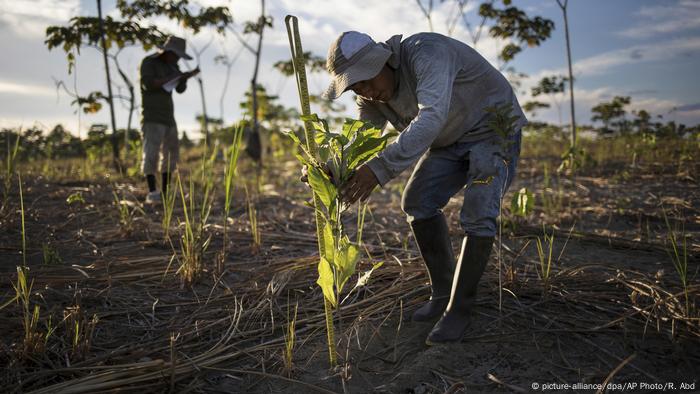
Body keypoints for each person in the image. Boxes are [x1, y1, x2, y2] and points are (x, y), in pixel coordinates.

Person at [324, 31, 527, 345]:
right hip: (449, 141)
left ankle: (460, 309)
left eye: (366, 79)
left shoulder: (426, 53)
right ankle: (443, 292)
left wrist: (379, 170)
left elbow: (431, 118)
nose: (365, 90)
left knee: (477, 212)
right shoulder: (372, 99)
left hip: (493, 130)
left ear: (383, 61)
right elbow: (362, 138)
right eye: (356, 86)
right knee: (417, 202)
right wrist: (334, 166)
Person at [139, 35, 199, 203]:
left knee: (171, 154)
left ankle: (165, 193)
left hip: (168, 117)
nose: (178, 58)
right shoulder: (149, 63)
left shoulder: (174, 66)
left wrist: (183, 78)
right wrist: (172, 78)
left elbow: (179, 89)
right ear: (168, 51)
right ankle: (152, 191)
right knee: (151, 153)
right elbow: (148, 84)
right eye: (176, 54)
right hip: (152, 116)